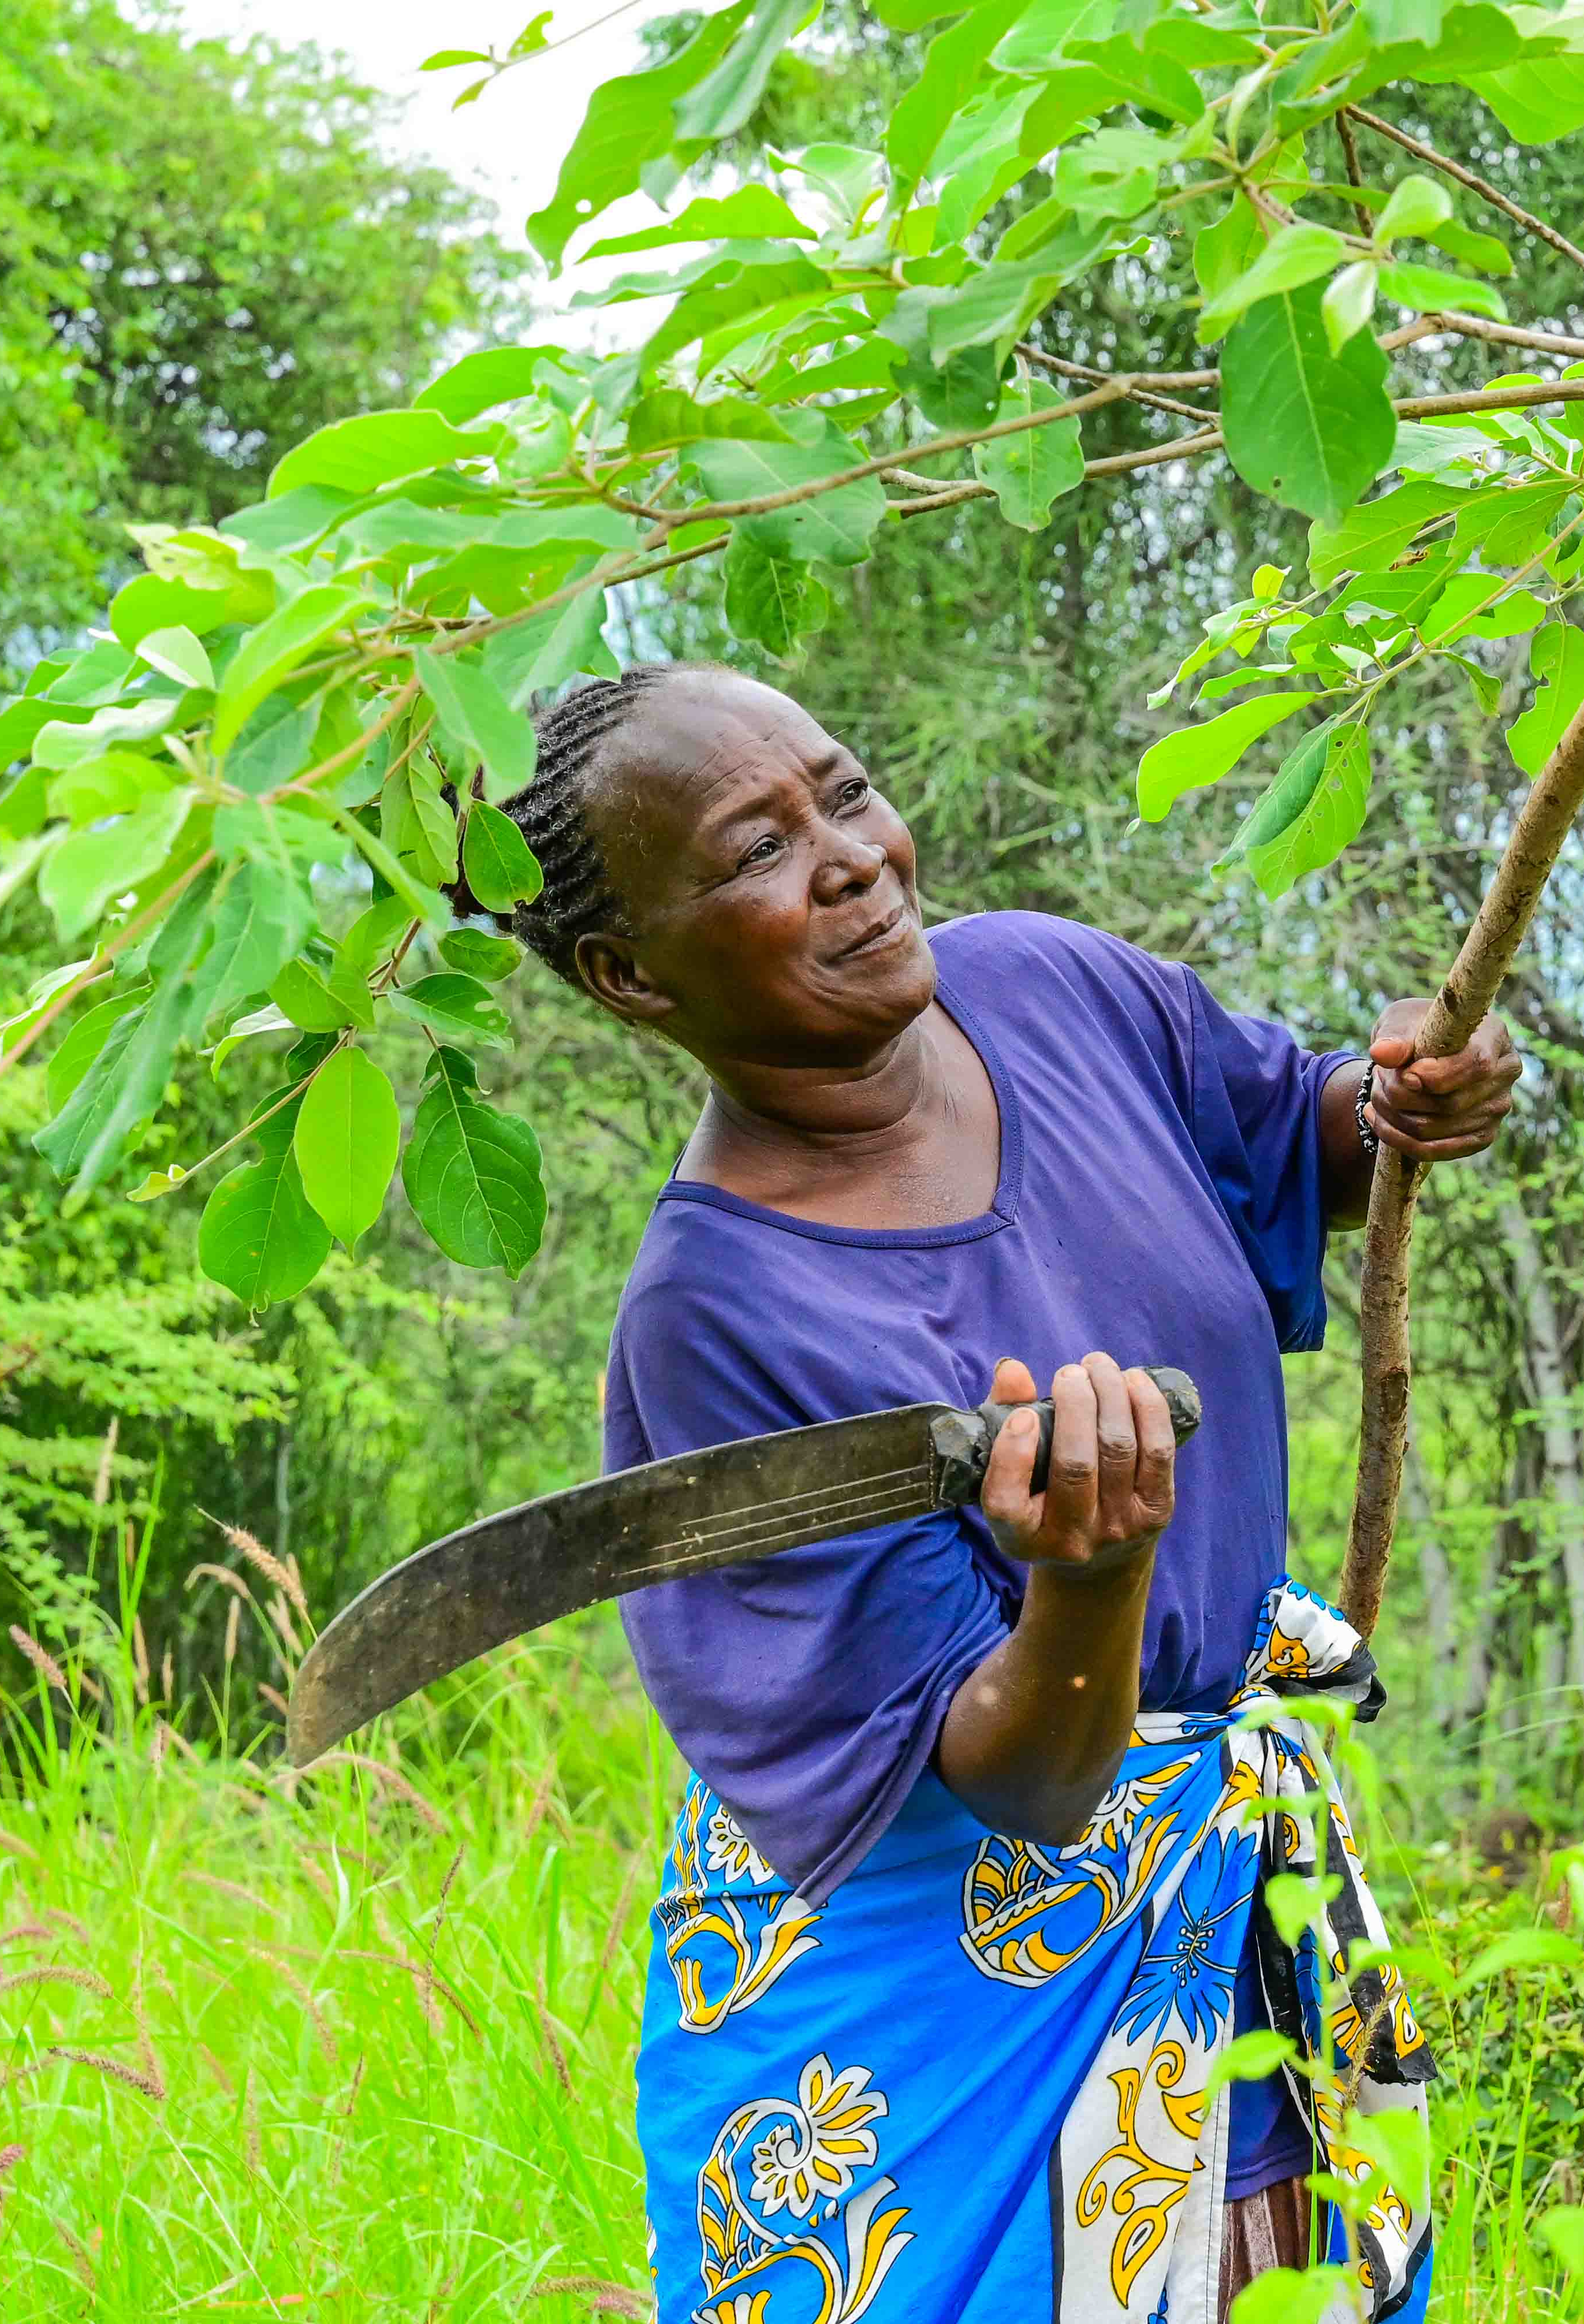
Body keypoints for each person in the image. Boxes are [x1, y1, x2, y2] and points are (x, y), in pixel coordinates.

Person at [472, 663, 1520, 2324]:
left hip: (1218, 1913)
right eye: (758, 849)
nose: (853, 857)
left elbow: (1274, 1132)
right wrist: (1090, 1579)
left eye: (845, 787)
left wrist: (1389, 1103)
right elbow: (1022, 1784)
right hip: (929, 2018)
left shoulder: (1047, 988)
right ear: (628, 974)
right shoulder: (721, 1314)